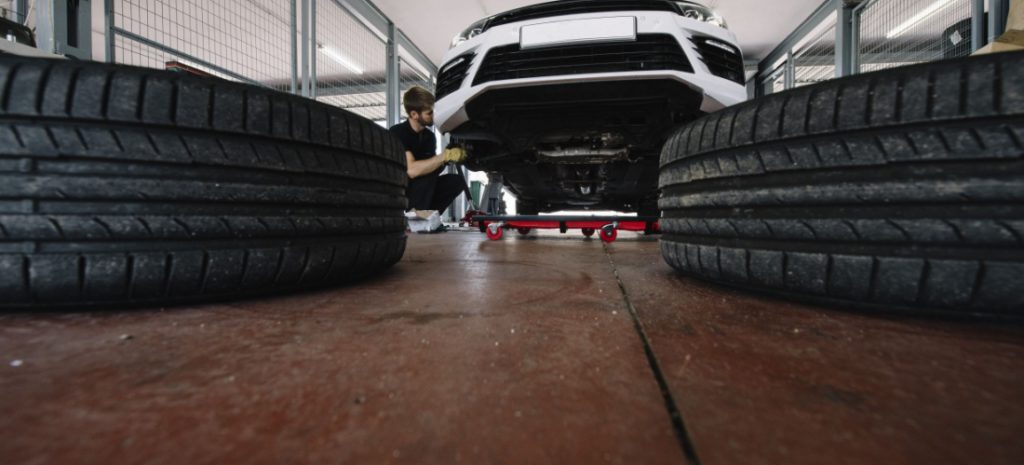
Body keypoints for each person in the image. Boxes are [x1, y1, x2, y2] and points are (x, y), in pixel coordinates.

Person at [389, 86, 469, 213]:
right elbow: (412, 170)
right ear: (414, 114)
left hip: (423, 188)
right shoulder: (398, 132)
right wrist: (443, 156)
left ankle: (430, 216)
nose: (434, 115)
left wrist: (446, 160)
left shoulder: (429, 137)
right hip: (401, 190)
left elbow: (431, 167)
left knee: (456, 182)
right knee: (426, 177)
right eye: (429, 113)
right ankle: (415, 217)